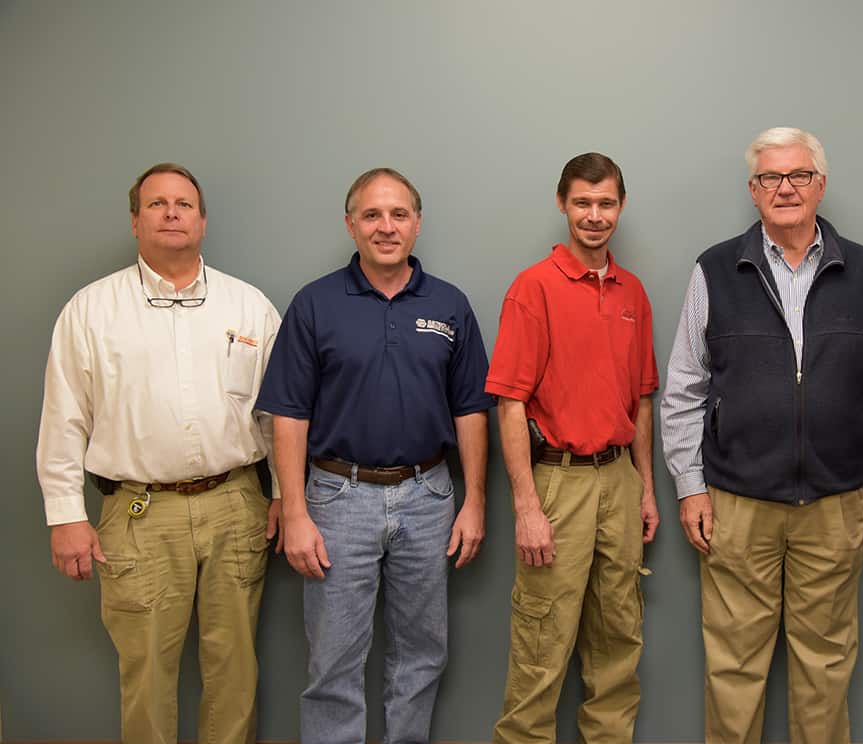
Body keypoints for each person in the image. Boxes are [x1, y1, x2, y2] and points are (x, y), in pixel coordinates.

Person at [660, 127, 863, 744]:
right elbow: (684, 387)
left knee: (825, 667)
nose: (786, 188)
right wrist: (690, 487)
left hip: (836, 504)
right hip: (737, 505)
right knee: (733, 666)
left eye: (798, 175)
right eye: (771, 178)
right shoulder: (715, 269)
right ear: (753, 191)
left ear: (820, 185)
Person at [36, 162, 281, 744]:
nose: (171, 213)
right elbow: (64, 417)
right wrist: (65, 515)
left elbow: (278, 415)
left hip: (237, 505)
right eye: (156, 204)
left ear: (202, 220)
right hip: (140, 513)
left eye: (183, 204)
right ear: (134, 220)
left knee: (235, 667)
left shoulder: (248, 307)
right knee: (146, 670)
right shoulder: (92, 310)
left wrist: (282, 497)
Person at [255, 168, 492, 744]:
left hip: (429, 495)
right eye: (372, 215)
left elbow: (471, 411)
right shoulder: (314, 304)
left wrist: (475, 502)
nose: (386, 227)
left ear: (416, 224)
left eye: (399, 215)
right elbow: (288, 414)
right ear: (351, 224)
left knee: (422, 655)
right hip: (337, 498)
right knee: (333, 663)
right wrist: (293, 512)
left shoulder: (449, 304)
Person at [490, 152, 659, 743]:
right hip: (556, 483)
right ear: (562, 203)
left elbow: (641, 402)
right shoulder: (532, 288)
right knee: (542, 643)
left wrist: (645, 490)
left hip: (619, 479)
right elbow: (509, 404)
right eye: (582, 203)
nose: (594, 215)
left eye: (606, 203)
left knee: (618, 640)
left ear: (621, 206)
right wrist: (527, 507)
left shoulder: (633, 292)